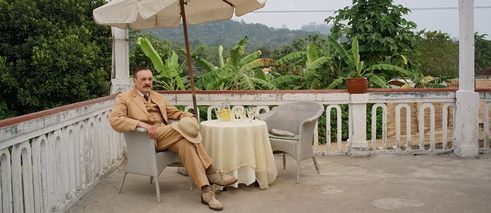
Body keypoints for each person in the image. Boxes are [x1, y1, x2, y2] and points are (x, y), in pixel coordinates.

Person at [109, 67, 237, 211]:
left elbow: (175, 113)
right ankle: (213, 172)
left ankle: (206, 192)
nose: (147, 82)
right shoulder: (124, 98)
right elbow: (115, 120)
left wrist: (190, 117)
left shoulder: (157, 97)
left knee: (187, 144)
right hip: (148, 139)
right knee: (183, 128)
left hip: (167, 136)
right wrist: (141, 124)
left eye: (150, 79)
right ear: (135, 81)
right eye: (143, 79)